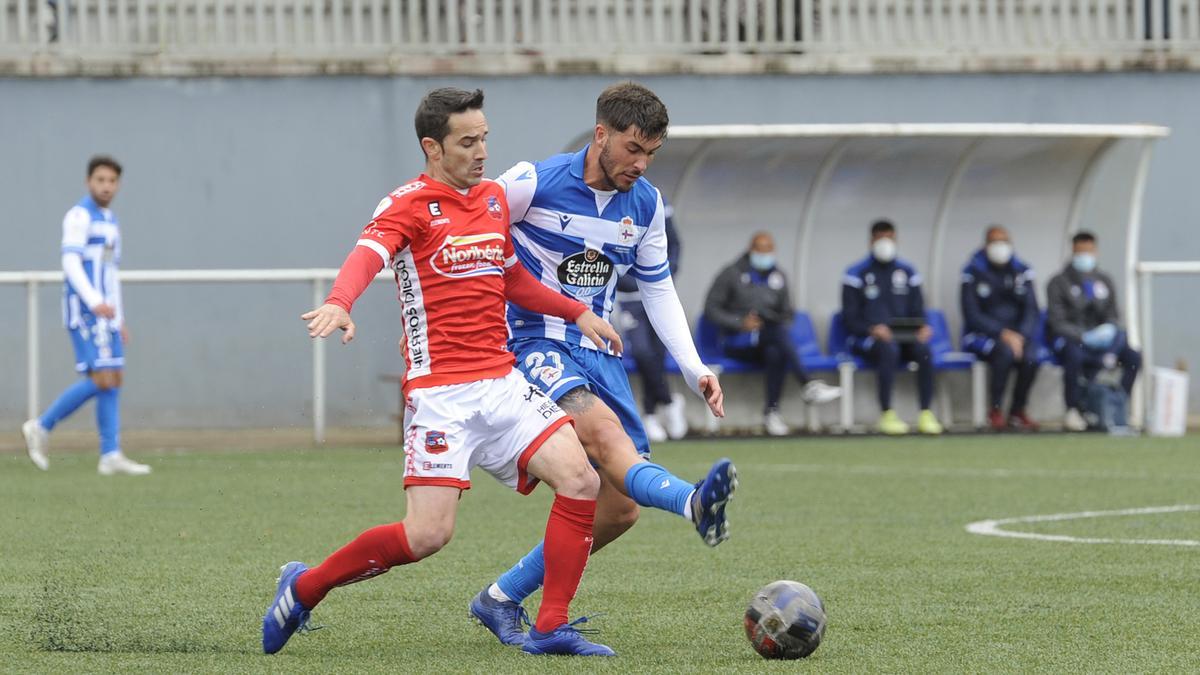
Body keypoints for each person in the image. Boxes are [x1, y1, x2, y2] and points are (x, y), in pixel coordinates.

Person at [262, 88, 626, 657]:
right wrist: (340, 301)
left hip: (502, 383)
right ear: (433, 147)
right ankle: (306, 586)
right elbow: (368, 255)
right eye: (467, 141)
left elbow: (512, 279)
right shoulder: (407, 204)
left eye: (485, 138)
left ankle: (549, 627)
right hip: (441, 396)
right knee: (428, 535)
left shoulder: (492, 201)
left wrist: (576, 310)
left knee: (581, 481)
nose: (482, 151)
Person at [469, 81, 737, 646]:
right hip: (532, 343)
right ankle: (692, 502)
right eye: (633, 149)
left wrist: (695, 369)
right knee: (604, 441)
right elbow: (472, 227)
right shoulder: (532, 182)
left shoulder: (645, 206)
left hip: (601, 352)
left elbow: (659, 291)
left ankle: (498, 599)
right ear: (601, 135)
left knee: (618, 510)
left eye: (652, 153)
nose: (641, 164)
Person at [22, 156, 151, 476]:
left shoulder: (110, 220)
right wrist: (93, 302)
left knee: (114, 379)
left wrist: (118, 316)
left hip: (106, 312)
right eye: (100, 180)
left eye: (112, 181)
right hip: (84, 310)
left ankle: (110, 454)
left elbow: (110, 271)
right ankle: (41, 425)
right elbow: (71, 263)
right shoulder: (79, 216)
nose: (106, 186)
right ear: (88, 182)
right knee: (100, 378)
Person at [703, 231, 841, 436]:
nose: (766, 254)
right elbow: (711, 310)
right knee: (778, 337)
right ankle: (807, 384)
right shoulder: (731, 274)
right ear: (752, 250)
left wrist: (771, 318)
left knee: (776, 350)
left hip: (767, 339)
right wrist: (741, 322)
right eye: (761, 250)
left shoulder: (779, 276)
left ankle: (772, 413)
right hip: (737, 343)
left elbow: (788, 313)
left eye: (769, 250)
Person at [841, 219, 944, 435]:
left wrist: (922, 327)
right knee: (889, 350)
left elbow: (918, 310)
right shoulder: (855, 273)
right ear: (871, 241)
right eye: (880, 239)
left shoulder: (907, 272)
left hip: (902, 335)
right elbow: (850, 318)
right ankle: (887, 413)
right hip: (867, 338)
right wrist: (872, 329)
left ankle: (925, 412)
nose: (885, 243)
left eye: (889, 238)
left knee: (924, 351)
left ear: (896, 240)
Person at [1046, 231, 1141, 431]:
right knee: (1073, 354)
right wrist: (1083, 336)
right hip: (1072, 339)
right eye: (1081, 251)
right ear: (1073, 251)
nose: (1085, 256)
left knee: (1133, 357)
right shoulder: (1058, 282)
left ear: (1095, 251)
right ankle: (1073, 409)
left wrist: (1107, 331)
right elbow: (1057, 321)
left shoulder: (1104, 281)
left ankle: (1117, 405)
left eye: (1089, 251)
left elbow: (1113, 315)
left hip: (1102, 341)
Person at [614, 201, 687, 442]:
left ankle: (650, 413)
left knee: (657, 355)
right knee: (643, 353)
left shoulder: (656, 202)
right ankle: (668, 400)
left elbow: (673, 243)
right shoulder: (609, 204)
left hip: (656, 295)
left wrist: (667, 273)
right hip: (628, 299)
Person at [960, 225, 1041, 431]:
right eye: (994, 242)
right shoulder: (972, 272)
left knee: (1032, 356)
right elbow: (972, 315)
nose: (1000, 246)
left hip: (1017, 336)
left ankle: (1017, 410)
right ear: (986, 245)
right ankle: (995, 409)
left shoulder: (1022, 270)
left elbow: (1032, 309)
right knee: (1003, 353)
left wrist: (1021, 335)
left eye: (1003, 241)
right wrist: (1002, 333)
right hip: (981, 335)